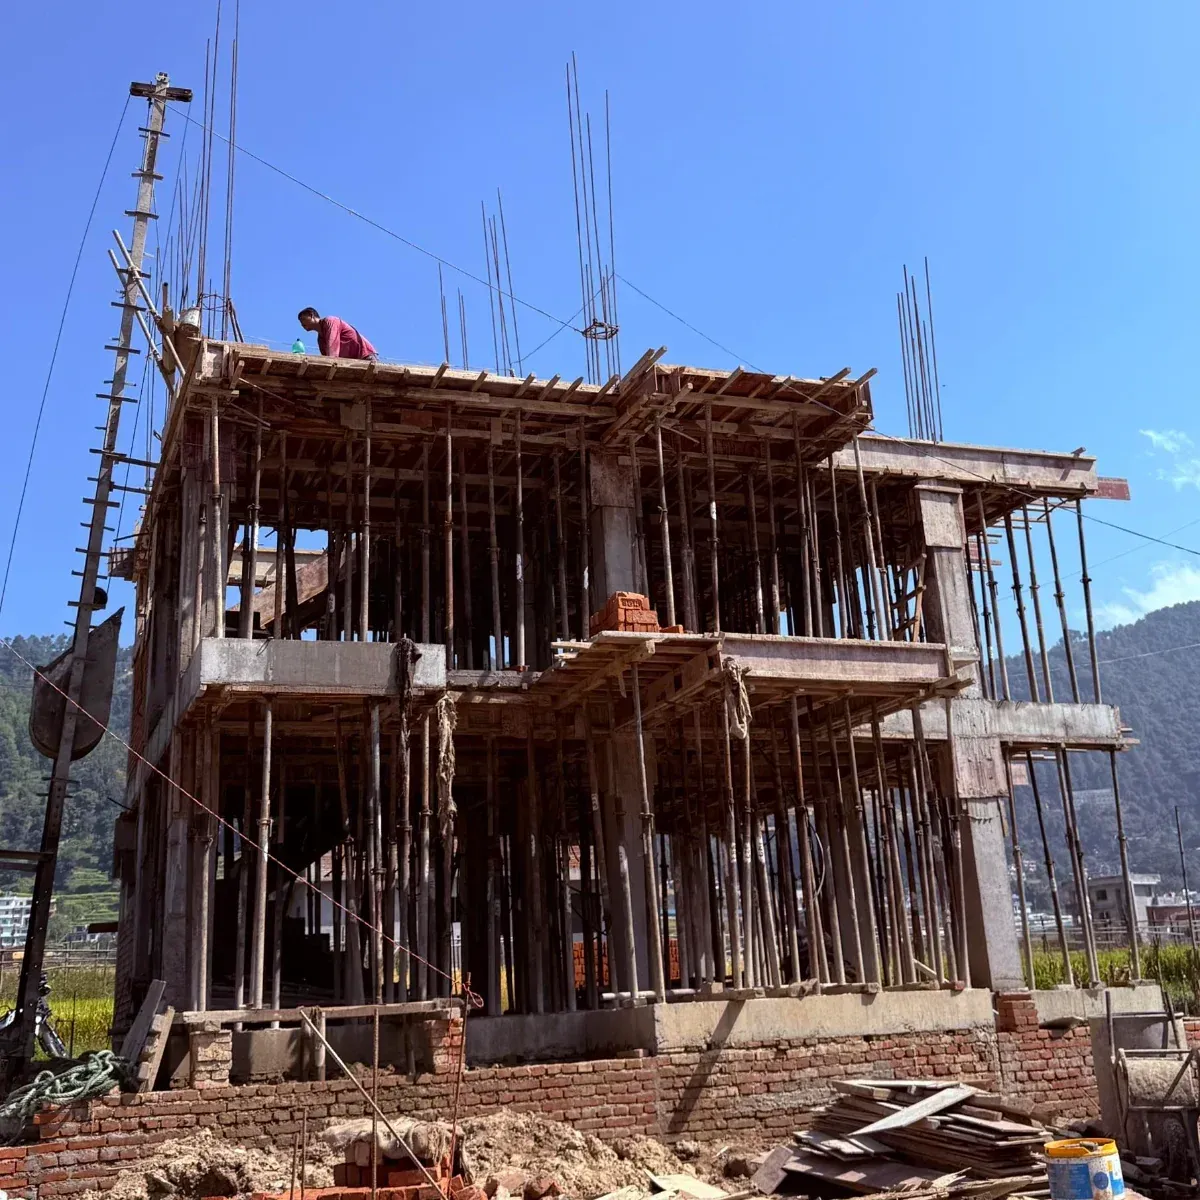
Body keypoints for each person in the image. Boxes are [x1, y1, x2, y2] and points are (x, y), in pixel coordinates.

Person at [297, 307, 378, 360]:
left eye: (303, 319)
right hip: (353, 362)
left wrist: (331, 362)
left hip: (365, 356)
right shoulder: (321, 339)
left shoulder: (330, 321)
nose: (302, 324)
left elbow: (332, 350)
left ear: (311, 315)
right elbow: (326, 359)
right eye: (300, 322)